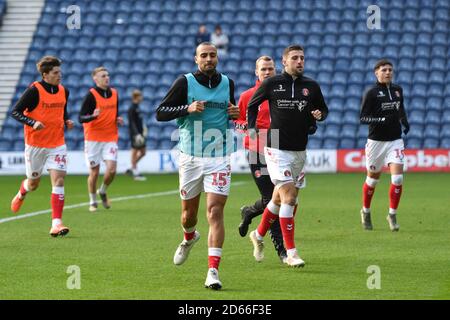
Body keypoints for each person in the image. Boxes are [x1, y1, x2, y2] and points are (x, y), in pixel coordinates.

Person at [156, 42, 239, 290]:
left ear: (217, 58)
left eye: (213, 55)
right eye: (204, 55)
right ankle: (189, 237)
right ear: (196, 59)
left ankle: (213, 270)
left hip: (219, 157)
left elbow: (230, 111)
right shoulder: (185, 82)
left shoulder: (228, 83)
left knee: (214, 212)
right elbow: (160, 112)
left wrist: (234, 113)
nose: (209, 59)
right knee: (188, 215)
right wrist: (186, 108)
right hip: (190, 157)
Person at [247, 45, 328, 267]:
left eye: (302, 58)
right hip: (276, 149)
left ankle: (259, 234)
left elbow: (322, 110)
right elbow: (252, 105)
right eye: (295, 58)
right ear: (285, 61)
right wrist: (252, 128)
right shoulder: (272, 83)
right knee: (290, 198)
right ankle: (291, 252)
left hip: (299, 150)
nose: (299, 61)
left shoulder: (311, 86)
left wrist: (319, 115)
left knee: (277, 199)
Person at [10, 55, 74, 237]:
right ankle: (23, 191)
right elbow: (15, 112)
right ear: (45, 75)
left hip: (57, 144)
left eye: (60, 72)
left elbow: (62, 110)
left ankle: (56, 223)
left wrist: (66, 120)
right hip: (35, 144)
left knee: (59, 180)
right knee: (34, 183)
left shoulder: (64, 91)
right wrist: (32, 122)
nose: (59, 75)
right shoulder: (34, 90)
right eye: (55, 73)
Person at [234, 56, 288, 263]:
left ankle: (249, 211)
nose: (267, 72)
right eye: (263, 69)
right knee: (271, 198)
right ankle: (282, 249)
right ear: (256, 72)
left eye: (270, 69)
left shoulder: (282, 94)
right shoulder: (248, 95)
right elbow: (238, 119)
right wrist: (247, 128)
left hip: (281, 150)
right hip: (258, 151)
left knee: (281, 199)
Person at [359, 59, 409, 232]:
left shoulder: (397, 90)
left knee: (397, 178)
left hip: (395, 140)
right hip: (376, 143)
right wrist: (381, 120)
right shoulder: (371, 93)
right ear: (376, 73)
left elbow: (400, 108)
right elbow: (363, 118)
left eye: (390, 70)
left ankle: (392, 214)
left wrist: (404, 121)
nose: (388, 72)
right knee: (372, 180)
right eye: (384, 70)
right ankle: (365, 211)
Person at [78, 66, 123, 212]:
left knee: (111, 169)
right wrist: (92, 116)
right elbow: (80, 117)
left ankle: (102, 190)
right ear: (95, 79)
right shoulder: (91, 95)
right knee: (94, 172)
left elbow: (115, 112)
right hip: (93, 139)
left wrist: (117, 119)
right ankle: (92, 200)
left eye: (107, 75)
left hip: (110, 137)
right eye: (103, 76)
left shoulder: (115, 93)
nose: (106, 78)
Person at [126, 89, 147, 181]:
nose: (141, 98)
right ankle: (135, 173)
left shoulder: (137, 107)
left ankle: (131, 167)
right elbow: (132, 123)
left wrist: (144, 128)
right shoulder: (132, 108)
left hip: (140, 133)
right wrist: (136, 134)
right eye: (140, 96)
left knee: (143, 152)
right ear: (136, 97)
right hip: (135, 134)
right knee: (134, 152)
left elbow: (139, 121)